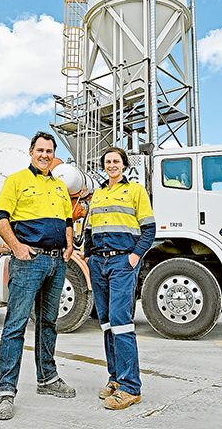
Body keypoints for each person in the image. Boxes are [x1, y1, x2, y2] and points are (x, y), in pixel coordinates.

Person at [0, 131, 76, 421]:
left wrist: (69, 244)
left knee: (48, 323)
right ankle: (5, 391)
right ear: (31, 152)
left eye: (49, 151)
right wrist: (17, 247)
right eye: (40, 150)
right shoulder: (16, 181)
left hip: (56, 262)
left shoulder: (60, 187)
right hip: (29, 262)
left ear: (54, 155)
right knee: (15, 325)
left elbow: (67, 221)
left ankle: (47, 379)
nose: (44, 155)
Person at [83, 147, 155, 410]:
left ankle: (130, 387)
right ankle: (115, 378)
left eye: (116, 161)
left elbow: (149, 228)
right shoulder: (98, 193)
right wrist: (88, 256)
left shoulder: (136, 191)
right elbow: (89, 228)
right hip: (98, 262)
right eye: (107, 161)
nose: (111, 165)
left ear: (124, 165)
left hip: (121, 262)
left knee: (121, 322)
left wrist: (134, 257)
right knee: (106, 323)